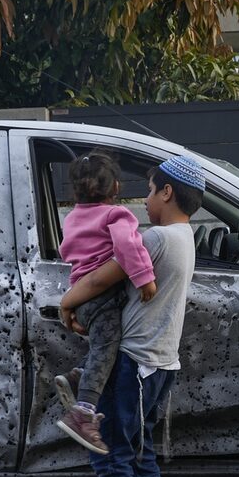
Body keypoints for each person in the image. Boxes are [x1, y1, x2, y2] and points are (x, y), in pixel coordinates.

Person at [60, 154, 205, 477]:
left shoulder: (155, 238)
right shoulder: (185, 236)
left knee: (110, 455)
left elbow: (99, 279)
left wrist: (67, 303)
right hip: (161, 363)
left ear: (167, 192)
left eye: (151, 190)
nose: (145, 199)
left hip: (133, 363)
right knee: (141, 454)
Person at [55, 150, 158, 454]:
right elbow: (128, 246)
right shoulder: (116, 215)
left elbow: (68, 251)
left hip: (82, 296)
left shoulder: (72, 217)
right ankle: (83, 414)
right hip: (103, 299)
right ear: (115, 187)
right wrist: (144, 278)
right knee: (105, 350)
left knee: (103, 348)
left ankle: (79, 375)